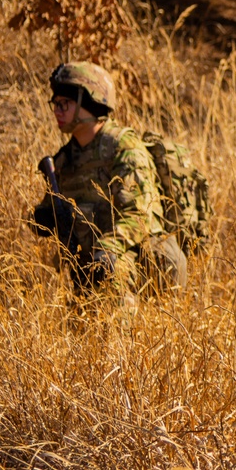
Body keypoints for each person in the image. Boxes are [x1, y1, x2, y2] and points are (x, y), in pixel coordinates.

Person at [31, 61, 187, 299]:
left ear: (89, 103)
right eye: (55, 103)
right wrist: (43, 217)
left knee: (112, 277)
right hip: (90, 261)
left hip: (135, 256)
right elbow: (53, 209)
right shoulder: (64, 160)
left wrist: (107, 249)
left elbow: (139, 217)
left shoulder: (123, 147)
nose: (57, 111)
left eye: (65, 104)